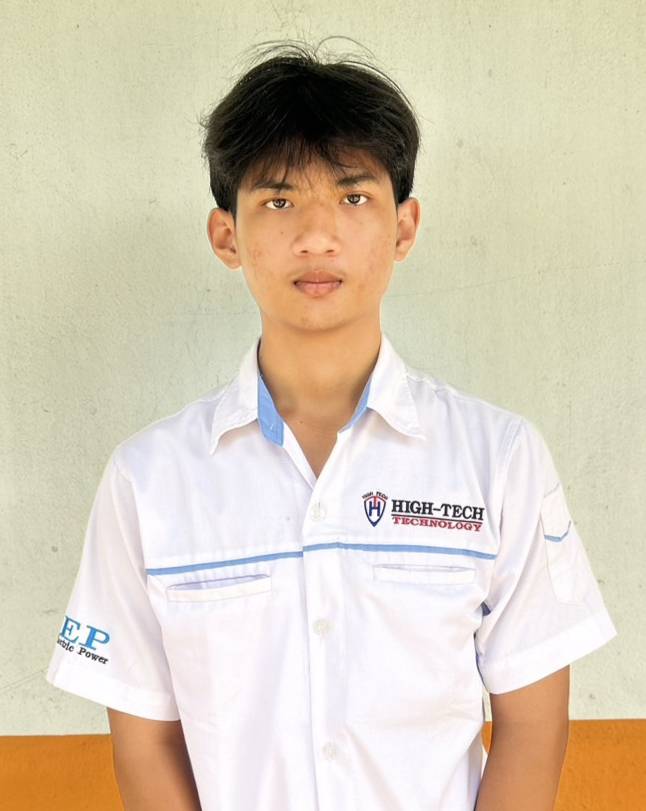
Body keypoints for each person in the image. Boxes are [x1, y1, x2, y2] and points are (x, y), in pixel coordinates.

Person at [45, 39, 617, 811]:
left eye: (353, 198)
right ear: (226, 236)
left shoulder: (498, 458)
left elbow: (533, 724)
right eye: (278, 201)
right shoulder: (148, 479)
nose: (316, 235)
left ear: (404, 227)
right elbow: (146, 741)